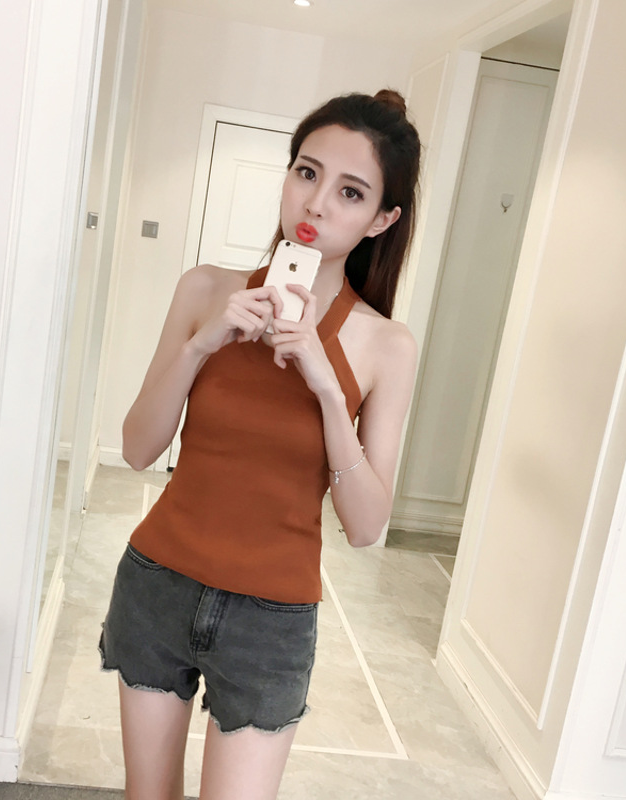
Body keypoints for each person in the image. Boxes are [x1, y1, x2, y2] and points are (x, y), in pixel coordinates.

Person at [100, 90, 422, 800]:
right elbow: (137, 449)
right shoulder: (205, 290)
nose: (316, 203)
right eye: (306, 172)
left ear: (382, 219)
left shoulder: (385, 345)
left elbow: (366, 526)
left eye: (350, 192)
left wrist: (328, 389)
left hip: (270, 620)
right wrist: (201, 346)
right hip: (157, 585)